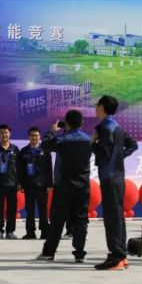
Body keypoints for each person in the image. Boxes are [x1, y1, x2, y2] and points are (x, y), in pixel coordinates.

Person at [36, 110, 92, 263]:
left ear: (66, 123)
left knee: (57, 220)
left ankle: (49, 252)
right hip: (83, 186)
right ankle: (79, 253)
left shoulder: (63, 140)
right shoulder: (89, 140)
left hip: (64, 186)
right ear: (81, 123)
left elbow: (45, 145)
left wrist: (52, 131)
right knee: (81, 220)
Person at [92, 95, 138, 270]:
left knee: (112, 217)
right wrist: (119, 157)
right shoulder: (116, 126)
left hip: (109, 177)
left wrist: (92, 143)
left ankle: (116, 255)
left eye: (97, 105)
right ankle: (121, 254)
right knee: (118, 216)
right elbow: (132, 145)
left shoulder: (105, 128)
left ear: (102, 107)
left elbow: (103, 152)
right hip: (118, 176)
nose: (96, 109)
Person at [17, 126, 52, 240]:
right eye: (32, 135)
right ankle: (30, 232)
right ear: (28, 137)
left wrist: (49, 184)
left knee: (43, 210)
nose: (34, 138)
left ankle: (45, 232)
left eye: (36, 135)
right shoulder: (23, 152)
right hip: (28, 186)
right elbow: (20, 169)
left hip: (42, 186)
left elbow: (49, 169)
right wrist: (20, 183)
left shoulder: (45, 151)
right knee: (29, 210)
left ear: (40, 137)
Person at [0, 124, 20, 240]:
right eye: (2, 132)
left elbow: (19, 167)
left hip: (12, 184)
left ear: (10, 134)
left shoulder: (15, 149)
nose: (4, 135)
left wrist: (19, 182)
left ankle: (10, 231)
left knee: (12, 209)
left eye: (6, 132)